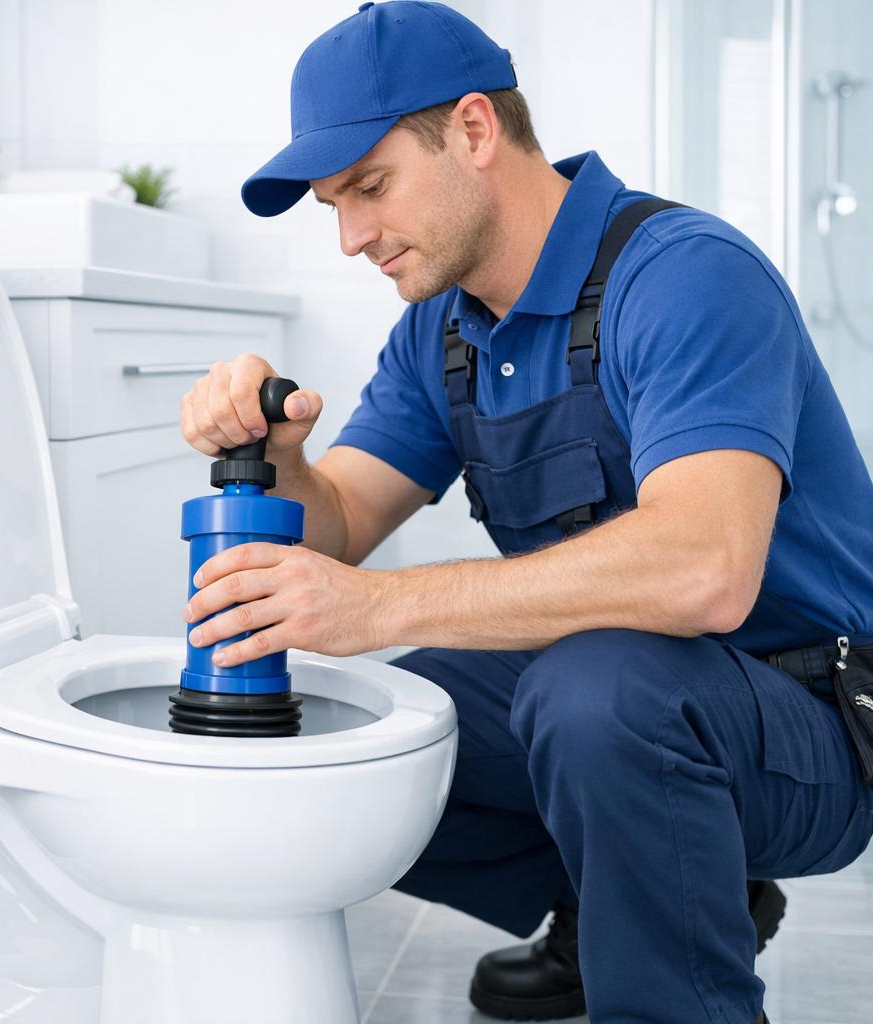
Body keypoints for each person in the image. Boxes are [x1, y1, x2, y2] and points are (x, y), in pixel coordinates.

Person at [179, 3, 873, 1022]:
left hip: (813, 726)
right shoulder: (442, 330)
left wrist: (375, 607)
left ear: (471, 130)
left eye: (368, 188)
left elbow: (703, 569)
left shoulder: (684, 276)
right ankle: (618, 907)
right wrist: (281, 462)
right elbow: (341, 520)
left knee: (598, 690)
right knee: (384, 737)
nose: (350, 238)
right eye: (334, 204)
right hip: (632, 707)